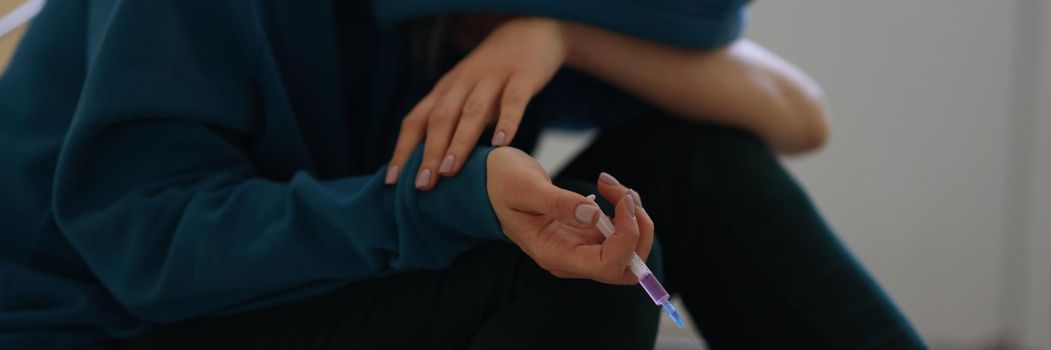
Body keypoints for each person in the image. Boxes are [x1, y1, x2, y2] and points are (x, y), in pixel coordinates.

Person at [0, 1, 926, 350]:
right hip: (109, 324)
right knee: (573, 264)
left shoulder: (467, 15)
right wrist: (448, 204)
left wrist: (563, 29)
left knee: (691, 161)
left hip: (289, 289)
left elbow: (794, 111)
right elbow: (152, 248)